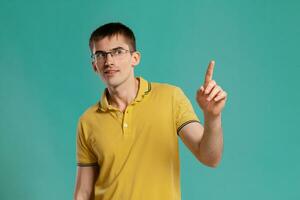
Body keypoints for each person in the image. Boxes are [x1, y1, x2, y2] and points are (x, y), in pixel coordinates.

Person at [74, 22, 228, 200]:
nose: (109, 61)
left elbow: (210, 157)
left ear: (135, 58)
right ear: (95, 65)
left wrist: (212, 116)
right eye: (100, 55)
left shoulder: (171, 97)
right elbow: (83, 193)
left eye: (117, 52)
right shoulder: (88, 121)